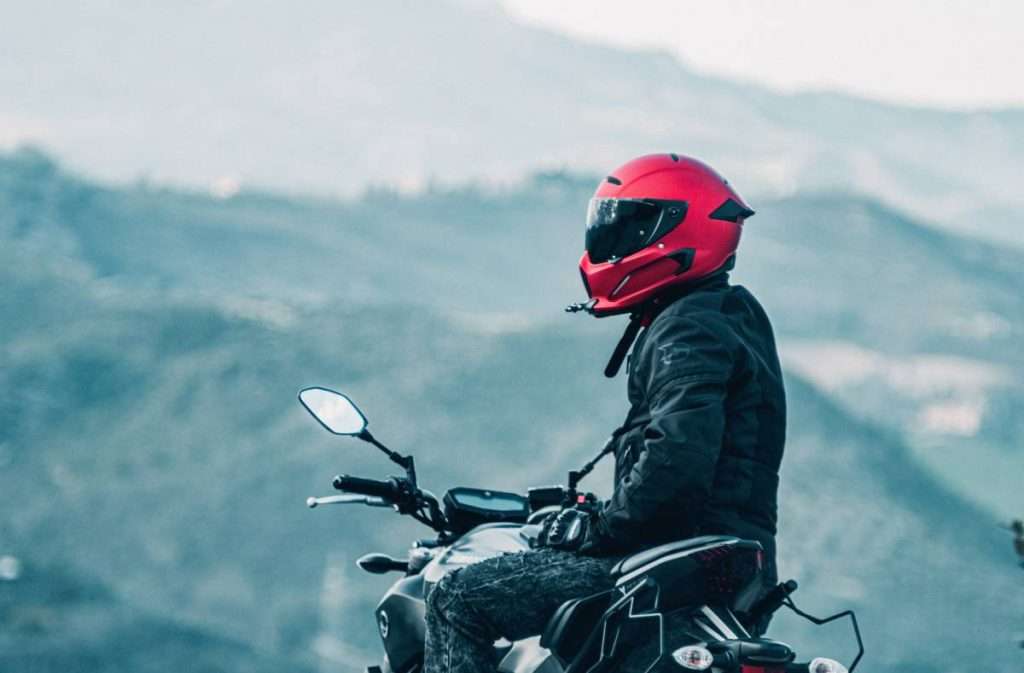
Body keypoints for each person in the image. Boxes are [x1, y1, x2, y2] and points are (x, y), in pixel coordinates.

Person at [424, 153, 786, 673]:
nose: (613, 241)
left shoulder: (689, 330)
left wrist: (598, 527)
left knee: (456, 598)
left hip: (671, 565)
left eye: (631, 225)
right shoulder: (726, 314)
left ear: (677, 233)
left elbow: (677, 457)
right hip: (721, 563)